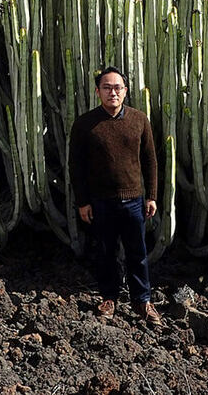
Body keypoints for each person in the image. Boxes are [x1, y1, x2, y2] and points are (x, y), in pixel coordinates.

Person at [69, 66, 162, 326]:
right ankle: (109, 298)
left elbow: (150, 161)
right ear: (98, 91)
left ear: (125, 91)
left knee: (138, 253)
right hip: (101, 201)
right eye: (107, 88)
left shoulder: (138, 120)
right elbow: (76, 166)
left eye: (117, 87)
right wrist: (82, 202)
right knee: (106, 253)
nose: (113, 92)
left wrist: (151, 196)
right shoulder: (85, 124)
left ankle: (142, 301)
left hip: (133, 200)